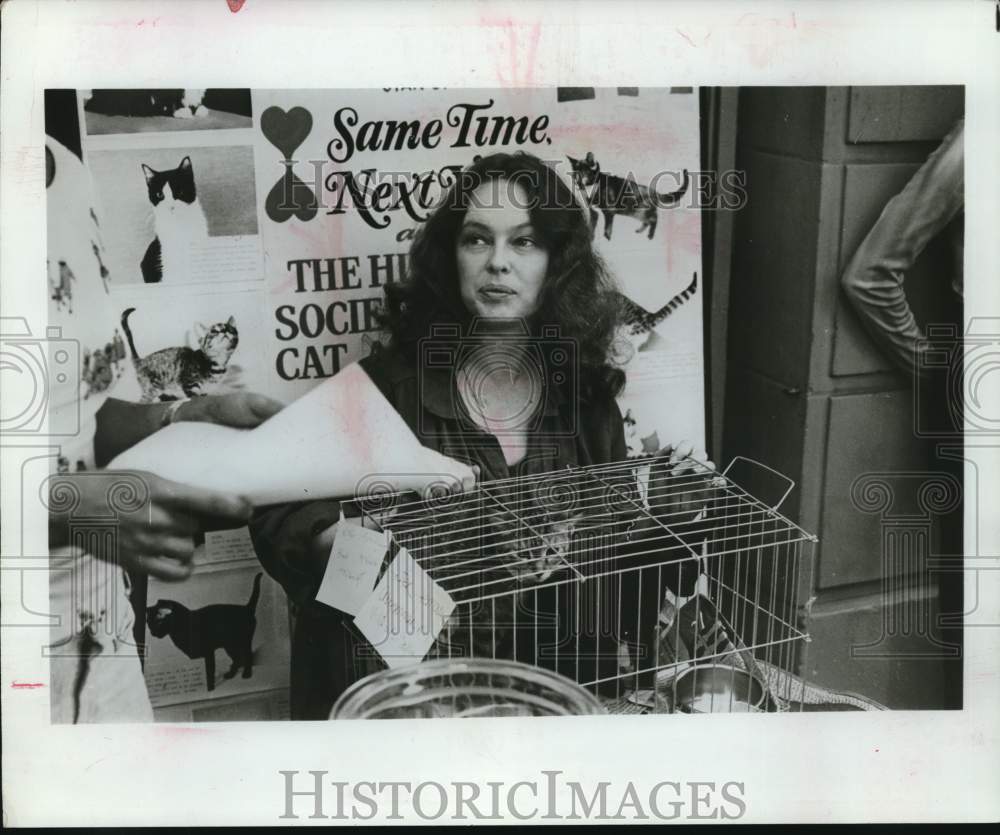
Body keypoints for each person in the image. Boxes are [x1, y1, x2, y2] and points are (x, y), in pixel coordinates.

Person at [249, 151, 712, 719]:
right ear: (452, 255)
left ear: (558, 262)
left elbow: (610, 556)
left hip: (538, 698)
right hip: (399, 706)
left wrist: (670, 510)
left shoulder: (584, 400)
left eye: (524, 242)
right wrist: (354, 545)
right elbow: (276, 512)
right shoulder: (385, 388)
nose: (497, 264)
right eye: (476, 239)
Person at [45, 131, 284, 723]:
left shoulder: (66, 176)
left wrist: (180, 415)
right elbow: (72, 493)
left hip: (103, 636)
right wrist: (69, 509)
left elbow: (81, 415)